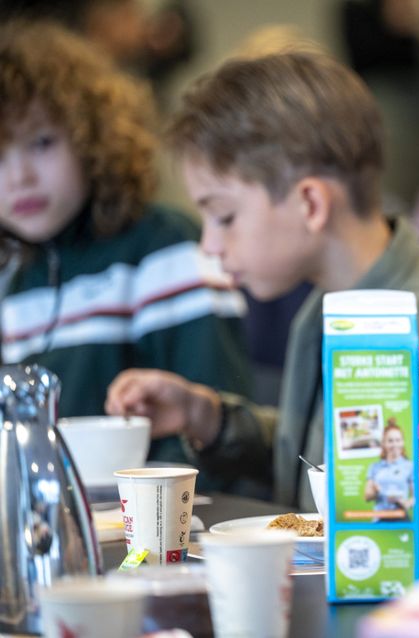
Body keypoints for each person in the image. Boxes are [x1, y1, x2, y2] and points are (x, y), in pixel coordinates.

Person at [104, 50, 419, 510]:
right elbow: (325, 462)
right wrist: (207, 417)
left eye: (224, 216)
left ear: (310, 203)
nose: (209, 244)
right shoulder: (330, 301)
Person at [0, 22, 250, 482]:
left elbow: (225, 436)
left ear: (95, 138)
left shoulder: (164, 249)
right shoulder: (13, 283)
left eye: (41, 143)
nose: (19, 178)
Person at [363, 421, 415, 520]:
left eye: (398, 440)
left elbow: (415, 497)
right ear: (384, 443)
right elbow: (367, 496)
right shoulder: (375, 467)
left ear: (402, 442)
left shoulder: (410, 466)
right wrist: (375, 491)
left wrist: (407, 503)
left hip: (401, 518)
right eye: (390, 441)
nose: (394, 444)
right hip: (379, 519)